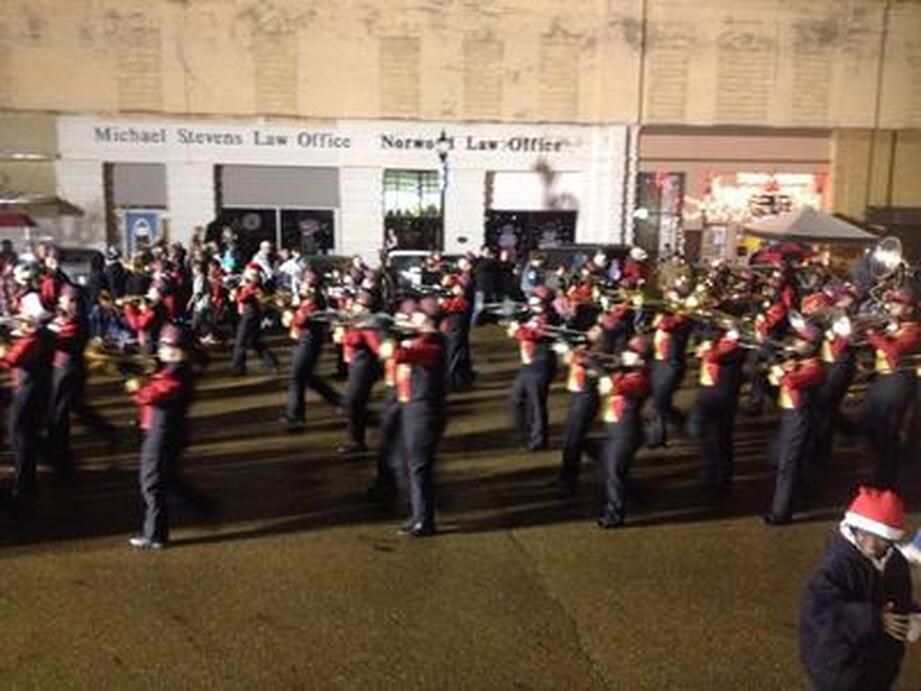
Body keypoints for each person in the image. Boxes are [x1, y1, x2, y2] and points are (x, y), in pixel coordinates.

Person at [800, 486, 917, 690]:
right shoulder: (836, 564)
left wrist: (913, 616)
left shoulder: (896, 562)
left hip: (880, 664)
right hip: (840, 668)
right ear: (853, 528)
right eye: (866, 534)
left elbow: (901, 600)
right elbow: (821, 612)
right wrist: (873, 618)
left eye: (881, 538)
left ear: (892, 539)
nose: (872, 544)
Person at [127, 325, 212, 549]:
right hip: (168, 431)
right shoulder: (173, 368)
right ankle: (204, 505)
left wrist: (135, 385)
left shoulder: (176, 374)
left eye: (166, 345)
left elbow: (149, 395)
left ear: (180, 350)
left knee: (151, 483)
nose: (161, 348)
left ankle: (154, 535)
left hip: (162, 434)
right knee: (168, 478)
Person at [380, 304, 446, 537]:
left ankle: (424, 519)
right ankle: (419, 510)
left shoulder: (434, 342)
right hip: (410, 407)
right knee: (400, 462)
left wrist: (390, 337)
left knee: (419, 466)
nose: (412, 317)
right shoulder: (420, 337)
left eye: (418, 314)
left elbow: (400, 355)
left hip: (424, 411)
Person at [763, 318, 825, 526]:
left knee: (787, 465)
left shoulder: (814, 367)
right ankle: (802, 493)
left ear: (811, 345)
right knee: (780, 458)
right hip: (789, 416)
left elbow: (789, 382)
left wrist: (780, 368)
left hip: (800, 418)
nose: (794, 343)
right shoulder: (798, 362)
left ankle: (780, 513)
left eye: (800, 340)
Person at [0, 293, 54, 502]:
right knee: (26, 436)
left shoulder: (33, 339)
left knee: (19, 437)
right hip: (36, 391)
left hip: (27, 392)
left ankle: (24, 486)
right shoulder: (44, 335)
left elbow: (11, 360)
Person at [596, 337, 650, 528]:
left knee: (615, 472)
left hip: (625, 432)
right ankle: (638, 496)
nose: (625, 354)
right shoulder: (625, 373)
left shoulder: (639, 379)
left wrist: (601, 371)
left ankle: (614, 515)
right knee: (607, 466)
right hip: (614, 429)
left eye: (632, 353)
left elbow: (614, 388)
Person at [280, 272, 341, 426]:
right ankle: (341, 403)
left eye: (305, 283)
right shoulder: (309, 300)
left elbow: (301, 320)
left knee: (297, 378)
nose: (301, 285)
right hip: (307, 340)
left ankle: (294, 415)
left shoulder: (312, 301)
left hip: (309, 342)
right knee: (309, 379)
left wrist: (289, 313)